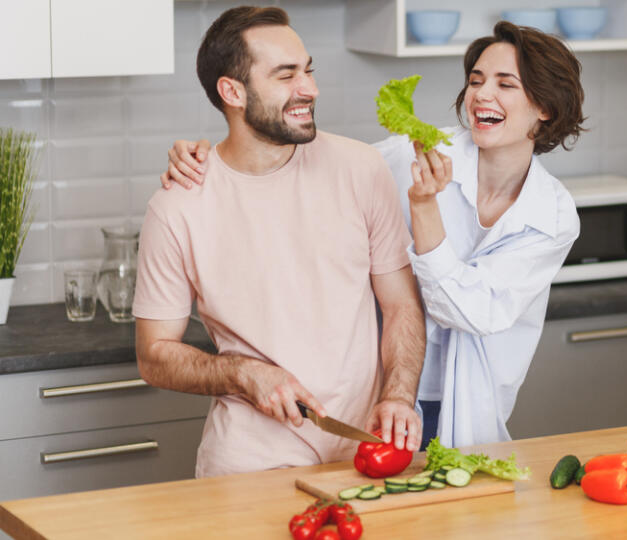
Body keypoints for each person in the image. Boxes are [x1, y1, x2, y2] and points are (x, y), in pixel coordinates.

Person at [161, 21, 584, 448]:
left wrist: (424, 207)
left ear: (544, 107)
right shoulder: (408, 154)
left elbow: (470, 311)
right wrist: (211, 157)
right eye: (476, 80)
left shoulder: (551, 214)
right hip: (382, 395)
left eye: (504, 84)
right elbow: (299, 156)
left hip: (465, 399)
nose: (481, 95)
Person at [134, 6, 425, 478]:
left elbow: (401, 307)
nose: (309, 89)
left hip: (365, 452)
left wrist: (397, 396)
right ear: (232, 91)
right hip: (250, 463)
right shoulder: (177, 207)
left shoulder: (361, 169)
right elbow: (154, 356)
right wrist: (243, 373)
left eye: (308, 70)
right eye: (286, 75)